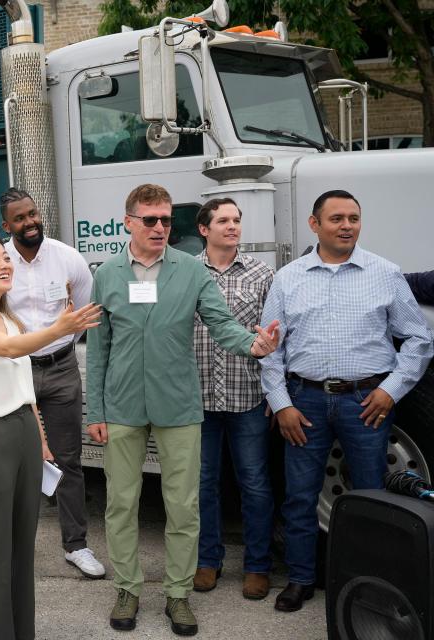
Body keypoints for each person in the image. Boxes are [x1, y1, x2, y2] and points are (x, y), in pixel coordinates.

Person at [85, 184, 280, 637]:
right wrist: (96, 410)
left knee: (183, 505)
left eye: (166, 220)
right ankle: (128, 587)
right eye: (150, 219)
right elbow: (98, 350)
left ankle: (177, 593)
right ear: (128, 221)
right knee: (121, 503)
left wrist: (256, 345)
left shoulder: (191, 273)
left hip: (178, 406)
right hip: (123, 406)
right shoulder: (108, 274)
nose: (159, 227)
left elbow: (222, 324)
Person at [260, 189, 433, 613]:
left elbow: (418, 338)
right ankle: (301, 579)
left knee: (372, 499)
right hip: (307, 403)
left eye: (353, 218)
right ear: (314, 224)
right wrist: (282, 404)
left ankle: (373, 585)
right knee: (300, 497)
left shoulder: (384, 273)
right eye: (336, 218)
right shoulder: (289, 278)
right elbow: (269, 348)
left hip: (366, 404)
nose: (347, 225)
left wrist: (390, 390)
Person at [0, 235, 101, 639]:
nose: (4, 264)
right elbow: (10, 350)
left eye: (5, 258)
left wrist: (41, 439)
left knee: (21, 549)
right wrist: (59, 328)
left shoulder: (12, 320)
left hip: (25, 433)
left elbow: (27, 391)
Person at [0, 187, 104, 579]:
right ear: (6, 225)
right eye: (21, 218)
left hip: (60, 370)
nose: (30, 222)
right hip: (14, 369)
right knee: (11, 461)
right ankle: (9, 547)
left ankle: (76, 546)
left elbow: (84, 312)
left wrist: (60, 349)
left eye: (33, 214)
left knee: (68, 460)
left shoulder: (67, 258)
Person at [190, 199, 276, 600]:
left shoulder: (262, 274)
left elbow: (277, 341)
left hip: (248, 397)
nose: (233, 226)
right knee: (203, 484)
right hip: (198, 398)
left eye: (237, 220)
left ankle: (258, 566)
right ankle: (208, 560)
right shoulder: (185, 272)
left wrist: (276, 395)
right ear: (204, 229)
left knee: (255, 484)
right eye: (223, 220)